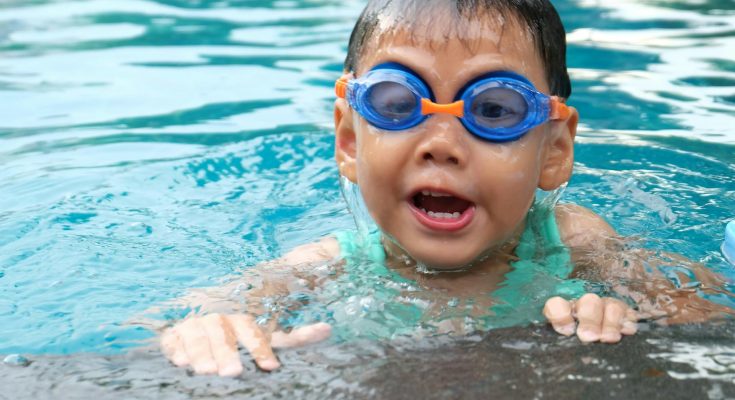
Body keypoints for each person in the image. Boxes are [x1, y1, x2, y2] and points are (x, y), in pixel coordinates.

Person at [158, 0, 729, 377]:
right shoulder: (328, 264)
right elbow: (201, 313)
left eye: (494, 109)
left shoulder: (574, 241)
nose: (442, 144)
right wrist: (209, 327)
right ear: (350, 140)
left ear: (553, 152)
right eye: (397, 104)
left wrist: (623, 319)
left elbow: (702, 319)